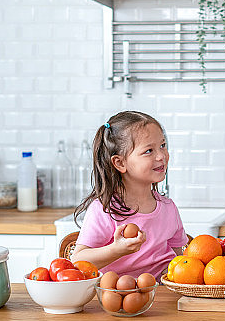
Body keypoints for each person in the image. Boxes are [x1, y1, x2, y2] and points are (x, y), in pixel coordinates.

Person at [70, 111, 188, 279]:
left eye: (162, 145)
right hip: (119, 298)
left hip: (163, 296)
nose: (161, 156)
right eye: (149, 150)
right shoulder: (105, 210)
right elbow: (77, 261)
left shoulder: (168, 208)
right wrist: (116, 250)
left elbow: (182, 260)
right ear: (120, 162)